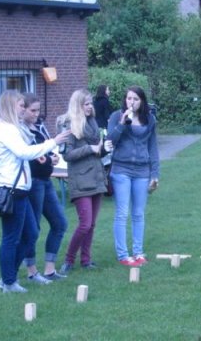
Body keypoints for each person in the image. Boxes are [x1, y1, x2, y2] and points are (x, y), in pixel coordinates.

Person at [0, 90, 71, 293]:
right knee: (11, 237)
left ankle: (7, 278)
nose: (22, 108)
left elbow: (26, 151)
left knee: (31, 233)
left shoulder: (15, 129)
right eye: (20, 105)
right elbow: (23, 152)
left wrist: (43, 152)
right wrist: (54, 142)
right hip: (10, 190)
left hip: (21, 190)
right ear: (11, 106)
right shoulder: (6, 130)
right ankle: (8, 281)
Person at [106, 86, 160, 267]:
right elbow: (110, 141)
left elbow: (153, 147)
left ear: (142, 101)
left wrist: (155, 174)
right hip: (121, 169)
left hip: (142, 171)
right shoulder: (116, 116)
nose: (132, 102)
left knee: (138, 213)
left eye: (136, 99)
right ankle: (123, 254)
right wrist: (123, 123)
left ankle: (138, 252)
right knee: (122, 213)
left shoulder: (150, 119)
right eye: (129, 98)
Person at [59, 89, 108, 274]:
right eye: (86, 104)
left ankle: (86, 260)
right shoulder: (69, 126)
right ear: (77, 106)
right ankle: (69, 260)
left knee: (92, 224)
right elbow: (68, 155)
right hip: (80, 181)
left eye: (90, 103)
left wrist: (104, 149)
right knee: (85, 223)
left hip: (96, 177)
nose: (89, 107)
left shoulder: (93, 123)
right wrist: (89, 148)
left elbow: (97, 151)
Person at [21, 94, 68, 283]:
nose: (36, 114)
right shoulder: (20, 131)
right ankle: (31, 272)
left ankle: (49, 269)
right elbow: (30, 156)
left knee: (60, 223)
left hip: (46, 180)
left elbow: (47, 150)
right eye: (32, 110)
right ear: (22, 109)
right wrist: (47, 158)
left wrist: (52, 158)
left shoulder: (39, 127)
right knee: (34, 228)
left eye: (38, 110)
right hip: (33, 182)